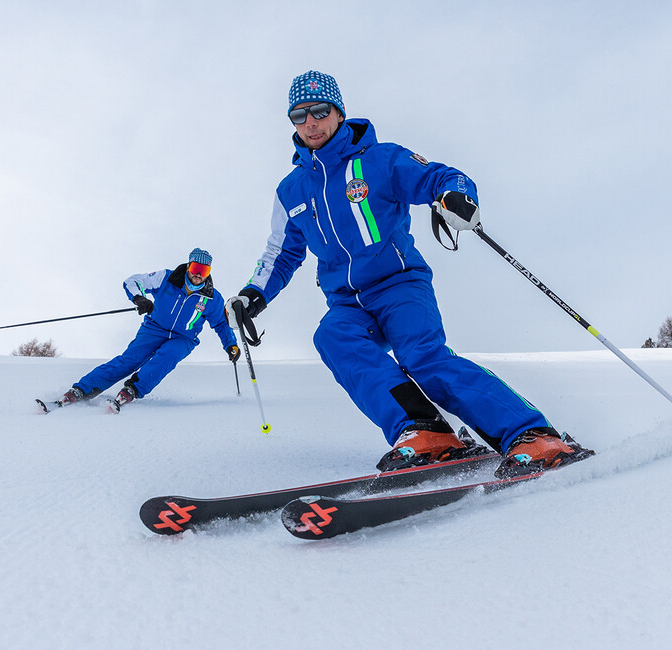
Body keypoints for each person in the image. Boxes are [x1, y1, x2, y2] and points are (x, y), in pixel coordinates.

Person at [226, 71, 591, 477]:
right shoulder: (291, 189)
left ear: (338, 112)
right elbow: (281, 251)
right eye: (299, 115)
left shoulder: (379, 160)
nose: (310, 122)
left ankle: (533, 435)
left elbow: (438, 176)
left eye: (319, 111)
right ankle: (425, 431)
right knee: (332, 337)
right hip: (348, 301)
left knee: (423, 357)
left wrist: (455, 195)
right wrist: (253, 293)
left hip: (400, 284)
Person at [52, 248, 239, 412]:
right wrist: (139, 299)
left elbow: (222, 324)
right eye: (195, 269)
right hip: (154, 328)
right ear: (189, 266)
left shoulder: (213, 298)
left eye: (204, 270)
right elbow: (132, 281)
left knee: (168, 356)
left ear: (208, 272)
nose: (198, 274)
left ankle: (132, 389)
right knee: (129, 361)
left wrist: (231, 344)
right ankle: (81, 390)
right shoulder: (167, 278)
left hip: (184, 338)